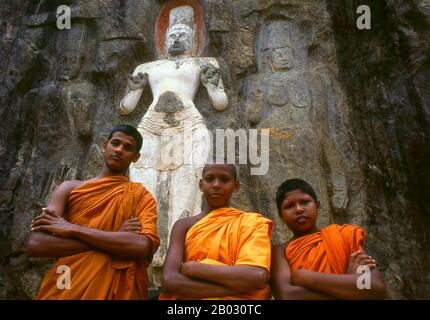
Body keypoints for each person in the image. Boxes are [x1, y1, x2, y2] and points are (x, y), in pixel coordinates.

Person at [26, 125, 160, 300]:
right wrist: (115, 238)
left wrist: (74, 230)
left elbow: (141, 246)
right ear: (105, 145)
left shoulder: (141, 197)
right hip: (67, 280)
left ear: (136, 157)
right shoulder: (69, 188)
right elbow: (36, 243)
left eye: (128, 148)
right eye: (116, 143)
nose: (119, 149)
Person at [159, 162, 273, 299]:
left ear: (236, 186)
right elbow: (169, 280)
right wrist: (237, 289)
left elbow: (257, 276)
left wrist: (193, 268)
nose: (216, 185)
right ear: (201, 185)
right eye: (209, 179)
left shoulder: (252, 223)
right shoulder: (183, 226)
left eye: (224, 180)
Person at [270, 178, 386, 299]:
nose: (299, 209)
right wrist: (349, 284)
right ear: (280, 216)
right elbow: (288, 296)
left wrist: (305, 277)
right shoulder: (279, 252)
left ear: (317, 206)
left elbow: (375, 287)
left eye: (304, 202)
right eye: (289, 206)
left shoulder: (344, 236)